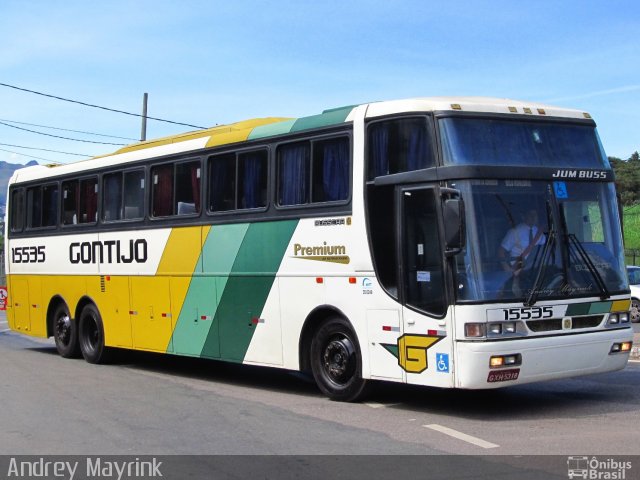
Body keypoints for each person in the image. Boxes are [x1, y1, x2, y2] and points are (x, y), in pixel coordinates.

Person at [498, 209, 545, 276]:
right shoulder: (514, 232)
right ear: (524, 216)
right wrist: (507, 269)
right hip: (518, 269)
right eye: (530, 214)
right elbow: (501, 251)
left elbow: (545, 248)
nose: (533, 217)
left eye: (535, 215)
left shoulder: (539, 232)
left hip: (535, 269)